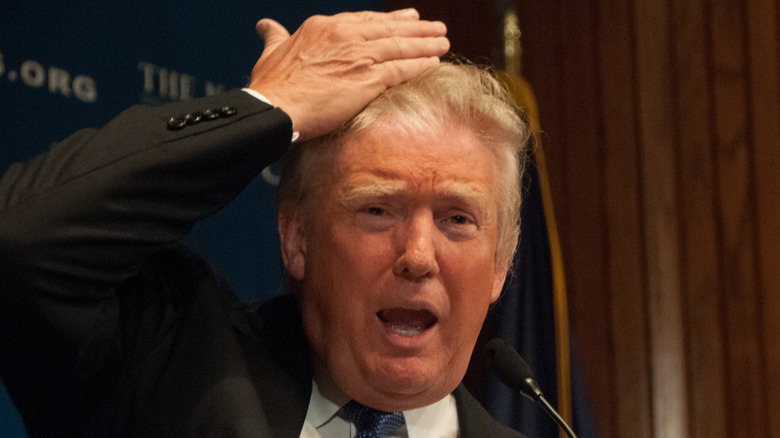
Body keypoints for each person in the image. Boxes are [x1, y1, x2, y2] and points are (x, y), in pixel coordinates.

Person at [0, 9, 530, 438]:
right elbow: (22, 241)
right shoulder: (169, 369)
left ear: (500, 263)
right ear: (295, 235)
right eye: (377, 210)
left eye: (457, 219)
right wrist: (272, 107)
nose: (417, 254)